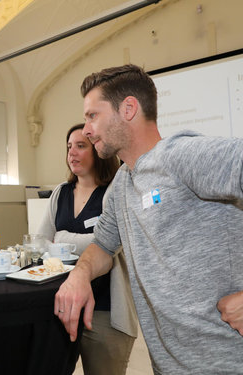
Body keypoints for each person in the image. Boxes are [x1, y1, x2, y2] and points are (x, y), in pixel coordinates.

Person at [54, 64, 243, 374]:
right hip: (168, 366)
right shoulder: (121, 183)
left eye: (92, 115)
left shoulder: (183, 156)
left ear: (128, 108)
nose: (86, 129)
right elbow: (102, 246)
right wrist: (79, 275)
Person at [38, 123, 137, 374]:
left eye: (80, 146)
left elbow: (109, 244)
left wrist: (59, 240)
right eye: (69, 147)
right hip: (61, 305)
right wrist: (81, 241)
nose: (72, 153)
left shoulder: (114, 191)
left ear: (98, 151)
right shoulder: (60, 192)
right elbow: (38, 242)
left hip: (105, 310)